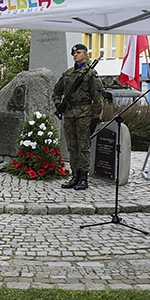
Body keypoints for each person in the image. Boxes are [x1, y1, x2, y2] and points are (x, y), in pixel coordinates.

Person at [52, 43, 105, 190]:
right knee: (72, 147)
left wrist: (96, 117)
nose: (76, 55)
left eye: (79, 52)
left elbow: (97, 98)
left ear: (86, 55)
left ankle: (83, 178)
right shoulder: (67, 74)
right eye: (74, 53)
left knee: (83, 147)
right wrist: (58, 105)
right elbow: (56, 92)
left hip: (84, 115)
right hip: (69, 114)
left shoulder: (91, 74)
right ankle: (74, 176)